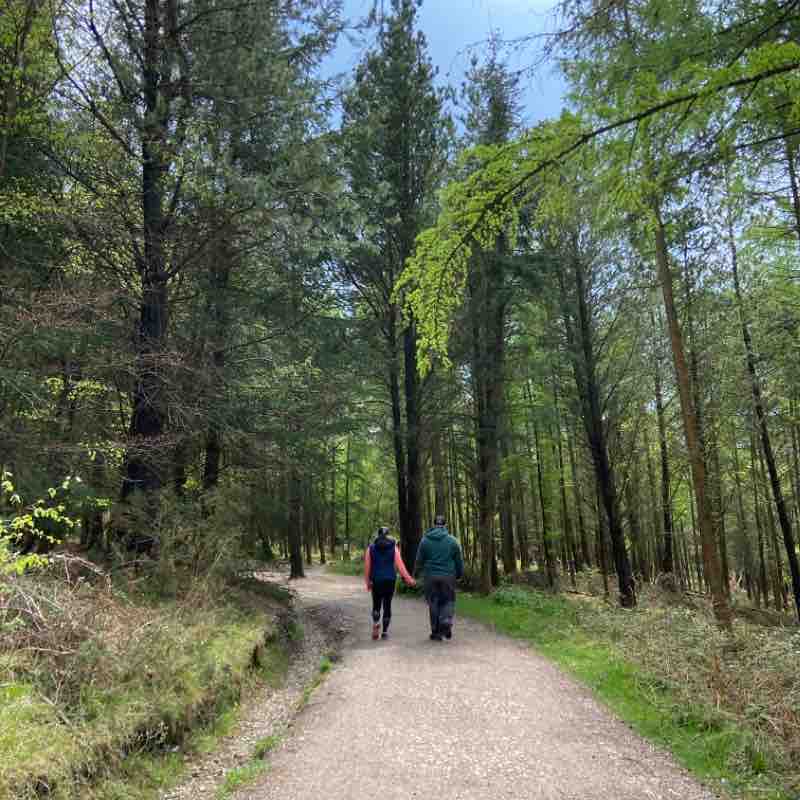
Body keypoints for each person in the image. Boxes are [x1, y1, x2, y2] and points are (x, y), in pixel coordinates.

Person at [414, 514, 464, 641]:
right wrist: (459, 574)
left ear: (434, 525)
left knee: (433, 603)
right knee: (448, 600)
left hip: (430, 577)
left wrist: (416, 574)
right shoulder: (453, 541)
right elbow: (459, 561)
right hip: (448, 576)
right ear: (445, 525)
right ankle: (446, 621)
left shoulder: (425, 540)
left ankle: (436, 632)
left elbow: (419, 560)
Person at [364, 526, 415, 640]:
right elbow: (400, 566)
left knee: (376, 604)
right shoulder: (394, 548)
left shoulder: (371, 548)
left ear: (378, 535)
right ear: (388, 535)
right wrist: (409, 579)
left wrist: (368, 582)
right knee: (387, 605)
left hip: (376, 580)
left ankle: (376, 622)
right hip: (390, 580)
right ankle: (385, 632)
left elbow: (367, 567)